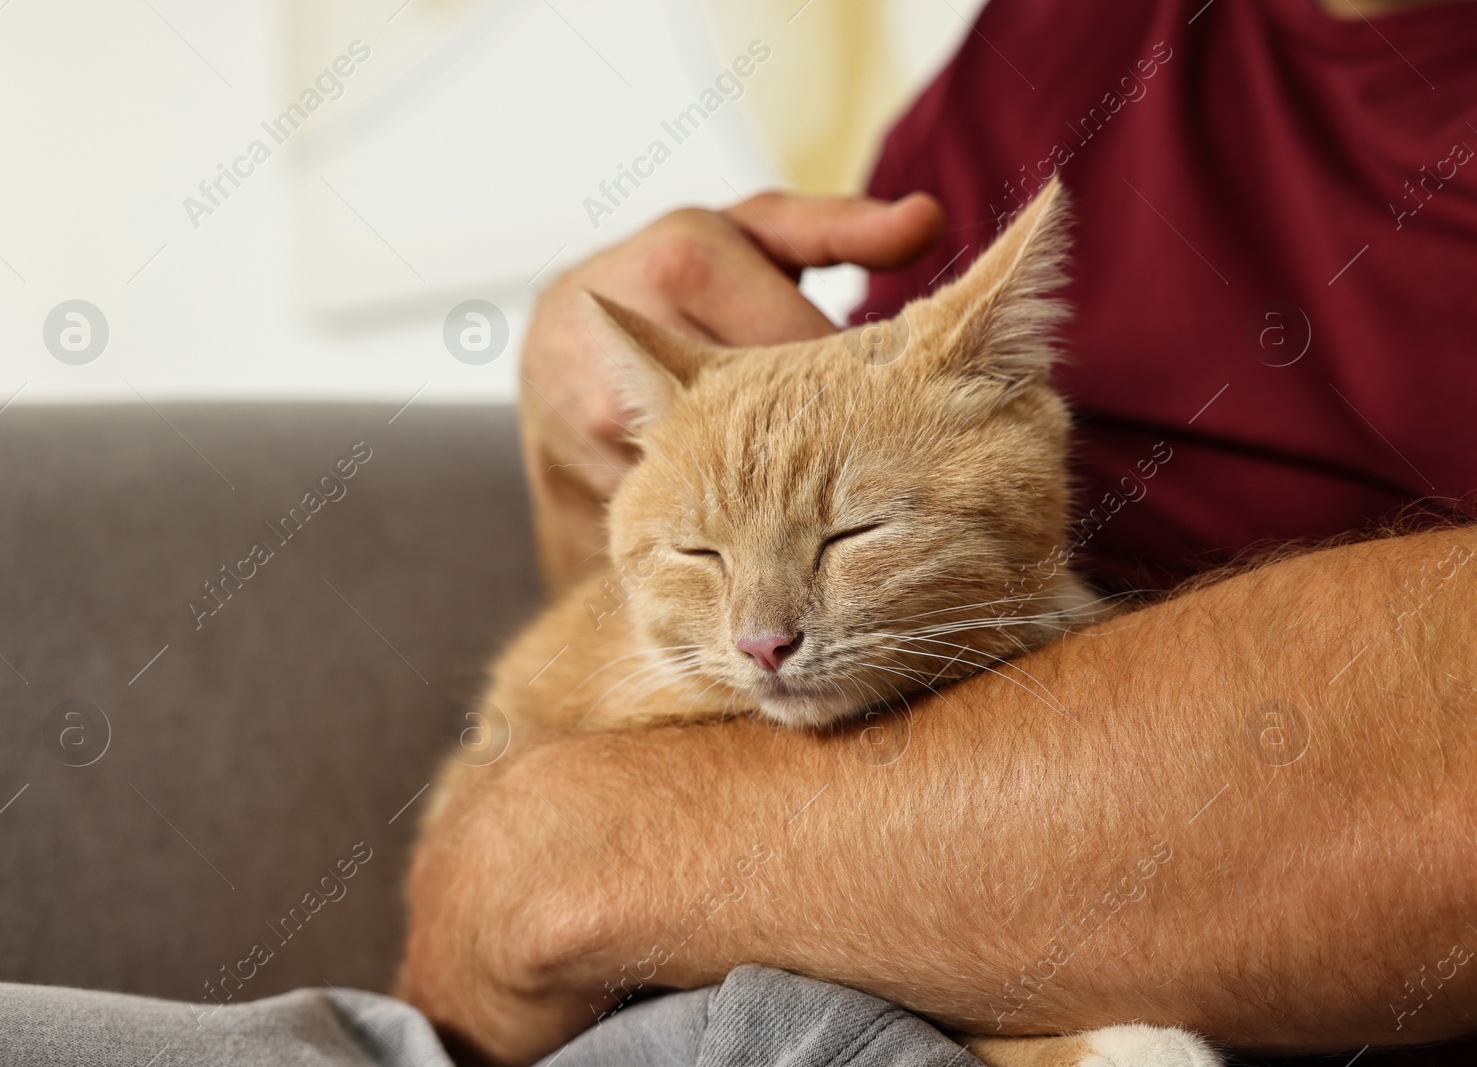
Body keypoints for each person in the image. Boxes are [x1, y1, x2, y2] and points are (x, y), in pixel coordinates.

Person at [401, 0, 1477, 1064]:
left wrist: (565, 850)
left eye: (852, 532)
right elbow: (625, 618)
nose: (762, 629)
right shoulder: (1039, 42)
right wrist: (571, 454)